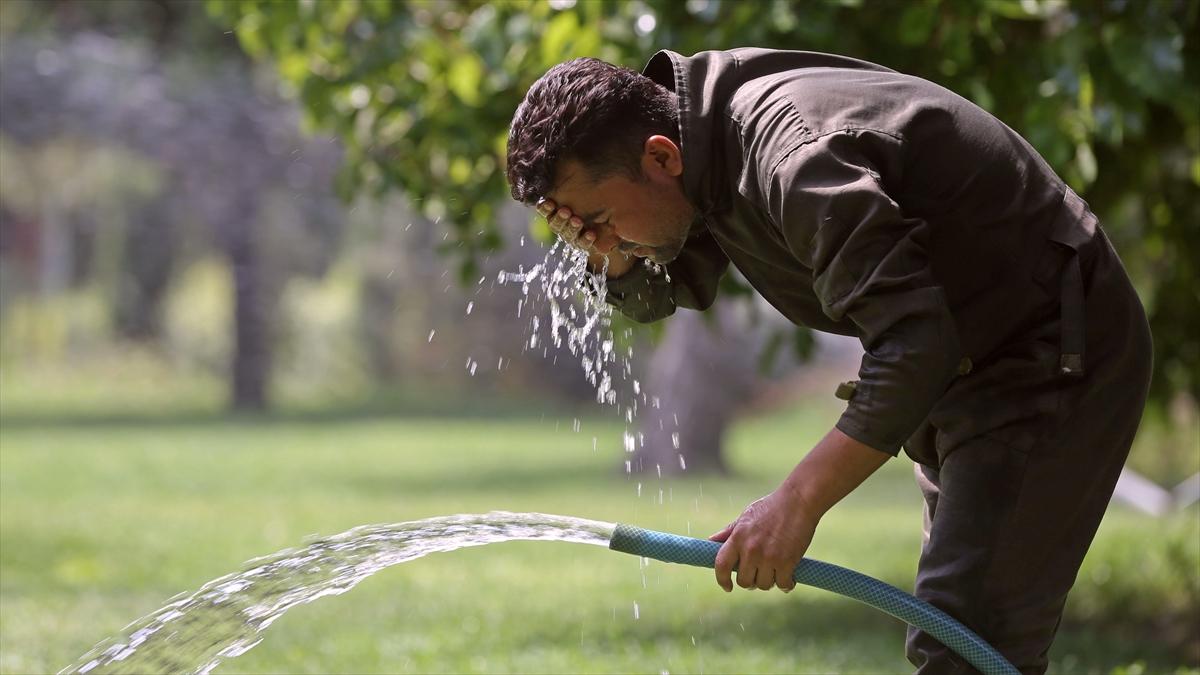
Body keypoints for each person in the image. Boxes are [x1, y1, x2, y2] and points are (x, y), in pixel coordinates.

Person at [504, 48, 1152, 674]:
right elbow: (660, 287)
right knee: (964, 627)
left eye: (602, 220)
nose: (603, 243)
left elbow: (916, 342)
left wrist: (795, 500)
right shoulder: (694, 147)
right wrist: (606, 244)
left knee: (968, 637)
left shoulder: (794, 155)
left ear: (660, 158)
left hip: (1048, 341)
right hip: (968, 358)